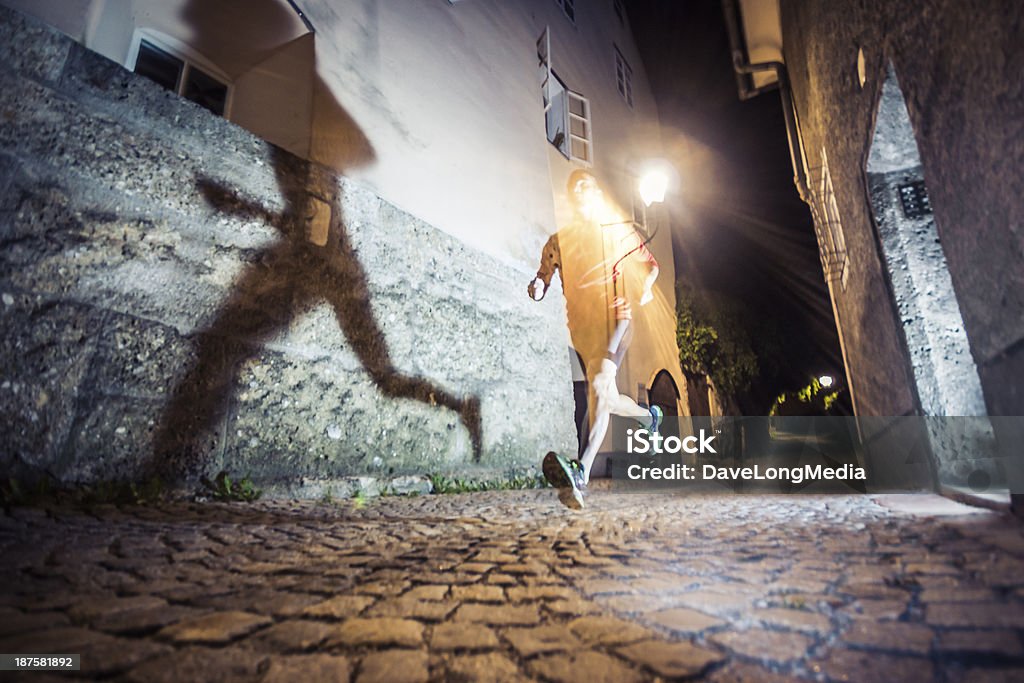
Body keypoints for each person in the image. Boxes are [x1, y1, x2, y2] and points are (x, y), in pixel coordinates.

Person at [529, 170, 662, 508]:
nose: (580, 190)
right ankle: (649, 417)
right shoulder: (558, 240)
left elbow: (651, 265)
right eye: (575, 187)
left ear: (598, 194)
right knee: (606, 396)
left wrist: (645, 290)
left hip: (616, 318)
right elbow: (544, 275)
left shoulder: (617, 231)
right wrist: (538, 288)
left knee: (600, 384)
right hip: (582, 329)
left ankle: (581, 470)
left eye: (587, 185)